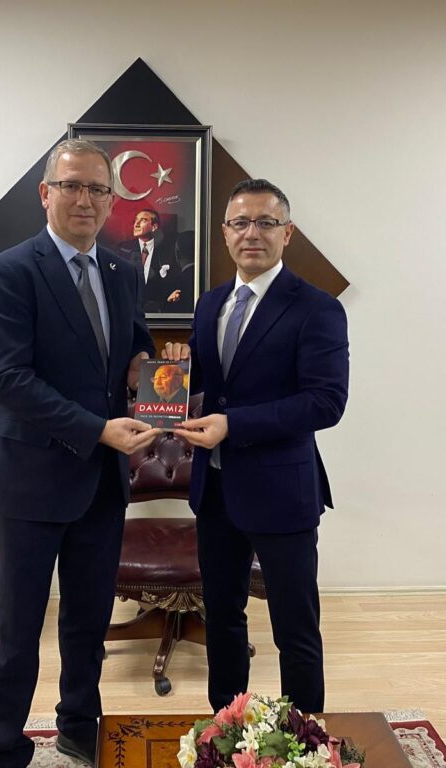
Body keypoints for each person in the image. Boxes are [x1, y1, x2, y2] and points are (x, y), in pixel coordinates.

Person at [0, 139, 159, 768]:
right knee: (17, 628)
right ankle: (7, 744)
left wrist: (146, 367)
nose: (85, 199)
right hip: (30, 481)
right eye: (72, 185)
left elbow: (133, 346)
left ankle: (79, 724)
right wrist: (97, 429)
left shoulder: (122, 271)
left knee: (87, 621)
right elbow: (8, 379)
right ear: (45, 193)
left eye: (98, 189)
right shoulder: (10, 271)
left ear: (110, 200)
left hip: (101, 483)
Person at [165, 178, 349, 714]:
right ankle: (225, 727)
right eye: (241, 222)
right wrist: (172, 374)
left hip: (282, 492)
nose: (253, 233)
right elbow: (209, 381)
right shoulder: (211, 303)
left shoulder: (316, 308)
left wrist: (233, 424)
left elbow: (326, 402)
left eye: (266, 222)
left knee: (295, 627)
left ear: (287, 233)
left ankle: (303, 734)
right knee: (222, 618)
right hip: (216, 490)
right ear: (225, 233)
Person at [117, 208, 182, 313]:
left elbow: (173, 281)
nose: (136, 224)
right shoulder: (123, 249)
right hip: (128, 311)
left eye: (143, 220)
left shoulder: (168, 251)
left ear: (154, 227)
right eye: (136, 220)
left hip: (159, 312)